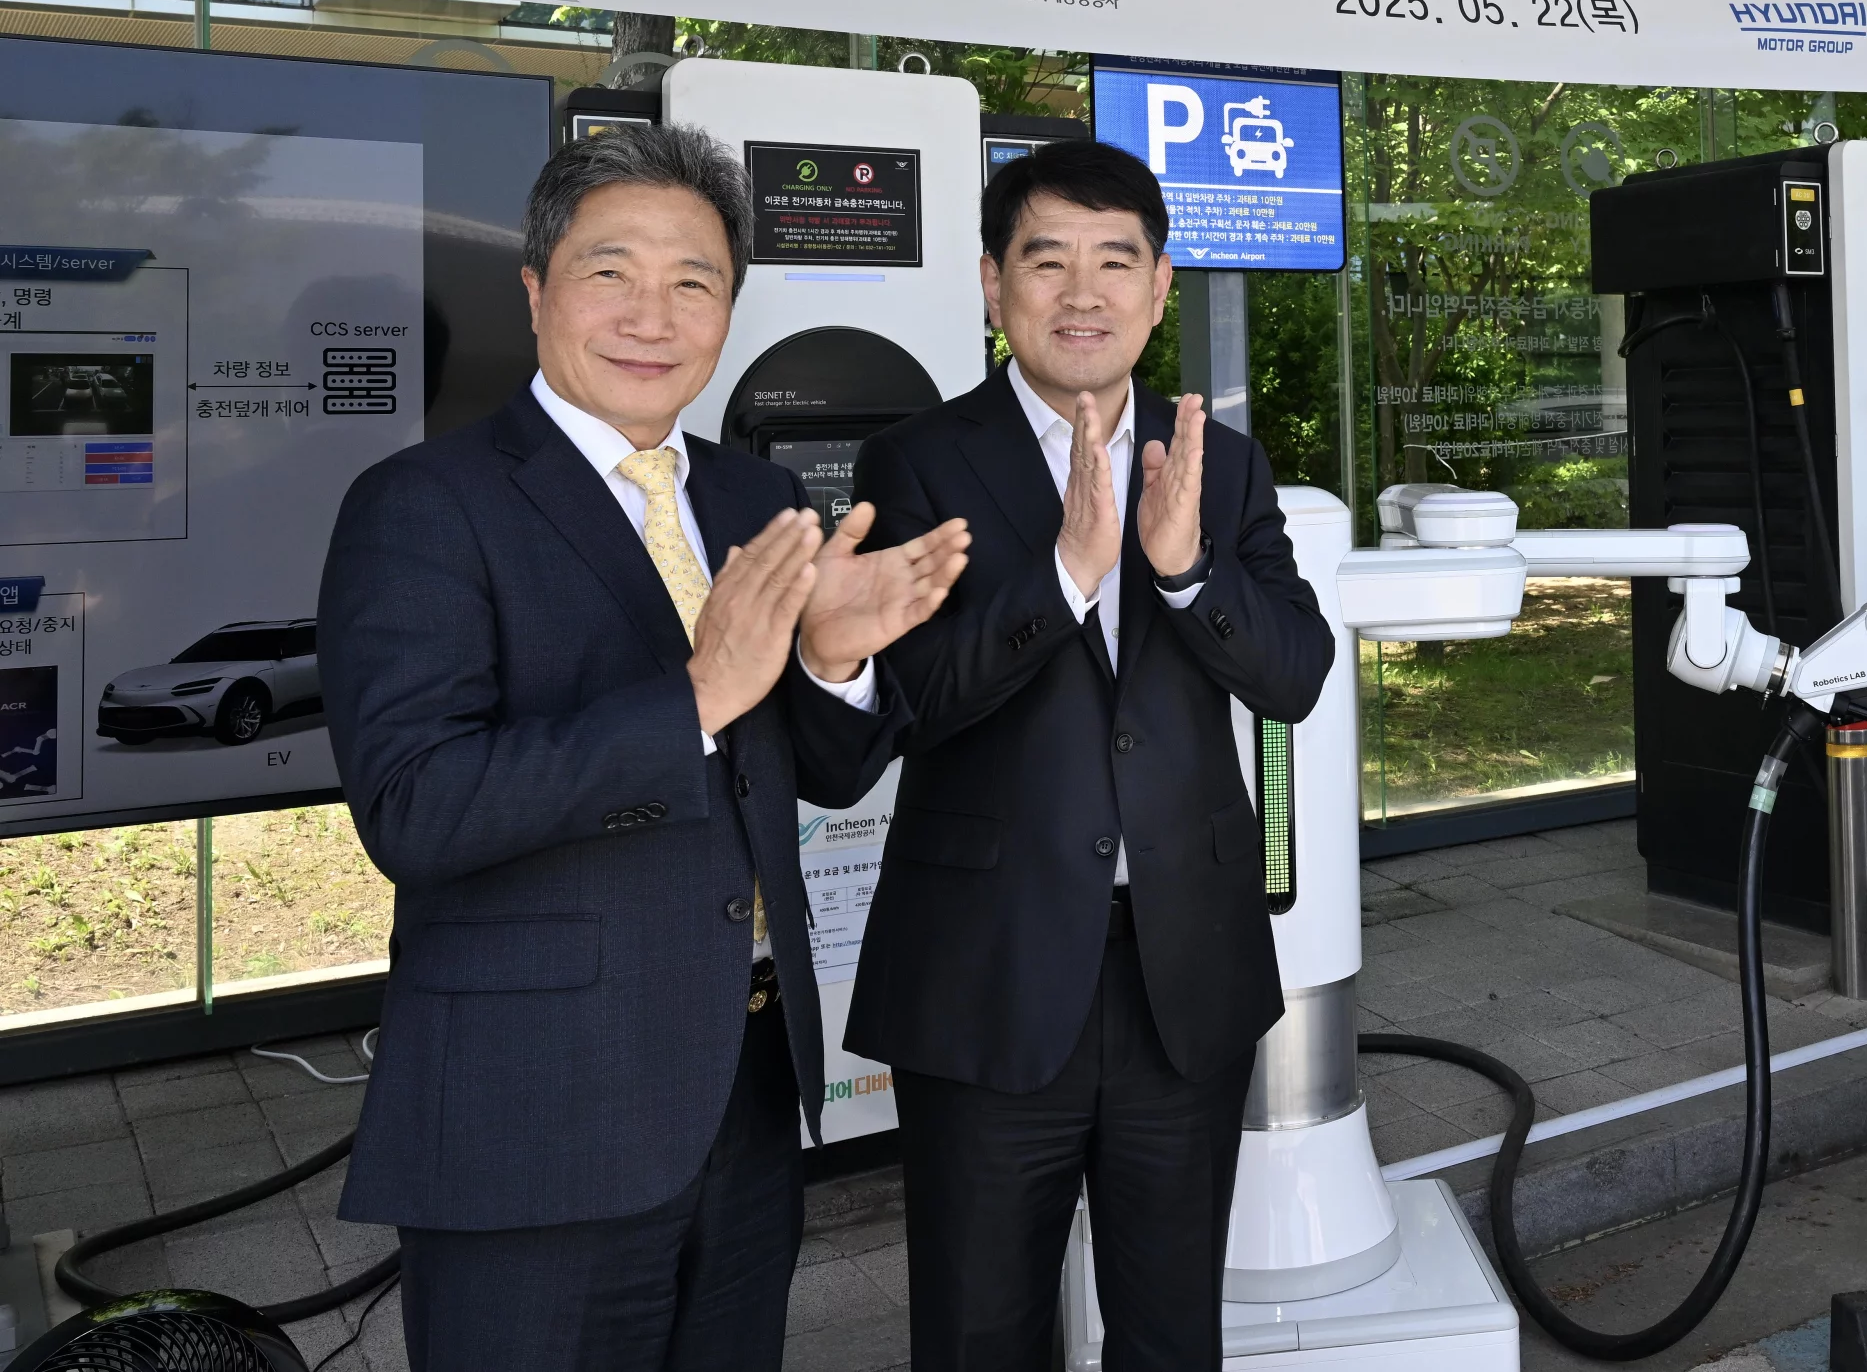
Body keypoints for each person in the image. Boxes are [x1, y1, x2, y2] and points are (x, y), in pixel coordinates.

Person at [319, 124, 971, 1371]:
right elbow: (417, 808)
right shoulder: (424, 505)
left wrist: (834, 664)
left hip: (743, 1089)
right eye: (610, 271)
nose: (651, 316)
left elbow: (814, 774)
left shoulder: (753, 501)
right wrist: (696, 696)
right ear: (536, 289)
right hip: (538, 1111)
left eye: (694, 282)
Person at [848, 138, 1335, 1371]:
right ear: (992, 282)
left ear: (1159, 285)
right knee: (979, 1331)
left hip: (1184, 972)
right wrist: (1064, 577)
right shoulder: (918, 460)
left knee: (1171, 1334)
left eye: (1116, 261)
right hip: (990, 970)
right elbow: (910, 702)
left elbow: (1294, 674)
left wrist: (1186, 572)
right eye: (1046, 260)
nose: (1083, 292)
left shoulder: (1222, 464)